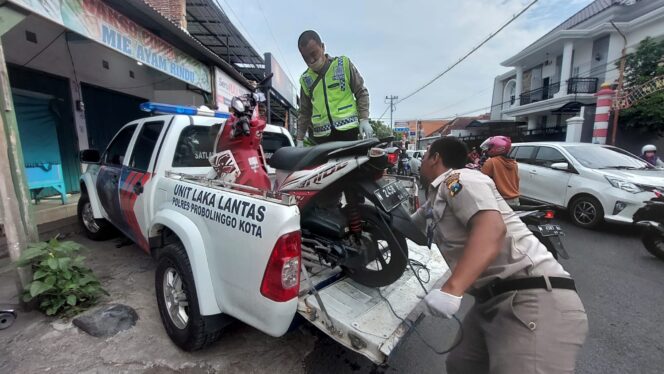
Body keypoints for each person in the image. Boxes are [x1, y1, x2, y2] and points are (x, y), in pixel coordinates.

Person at [412, 137, 588, 374]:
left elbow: (491, 230)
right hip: (491, 300)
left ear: (435, 158)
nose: (420, 161)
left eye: (424, 156)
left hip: (531, 297)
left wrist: (452, 289)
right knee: (461, 365)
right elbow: (408, 225)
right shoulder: (437, 194)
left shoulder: (459, 179)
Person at [296, 30, 373, 146]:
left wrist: (364, 119)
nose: (311, 60)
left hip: (349, 133)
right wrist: (300, 138)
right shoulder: (306, 80)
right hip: (321, 138)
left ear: (322, 47)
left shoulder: (343, 64)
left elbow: (361, 92)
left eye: (313, 54)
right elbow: (304, 112)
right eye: (306, 58)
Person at [479, 136, 520, 209]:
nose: (488, 149)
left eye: (491, 147)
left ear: (497, 148)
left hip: (501, 201)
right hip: (515, 200)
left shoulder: (491, 162)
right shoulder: (514, 163)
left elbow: (482, 182)